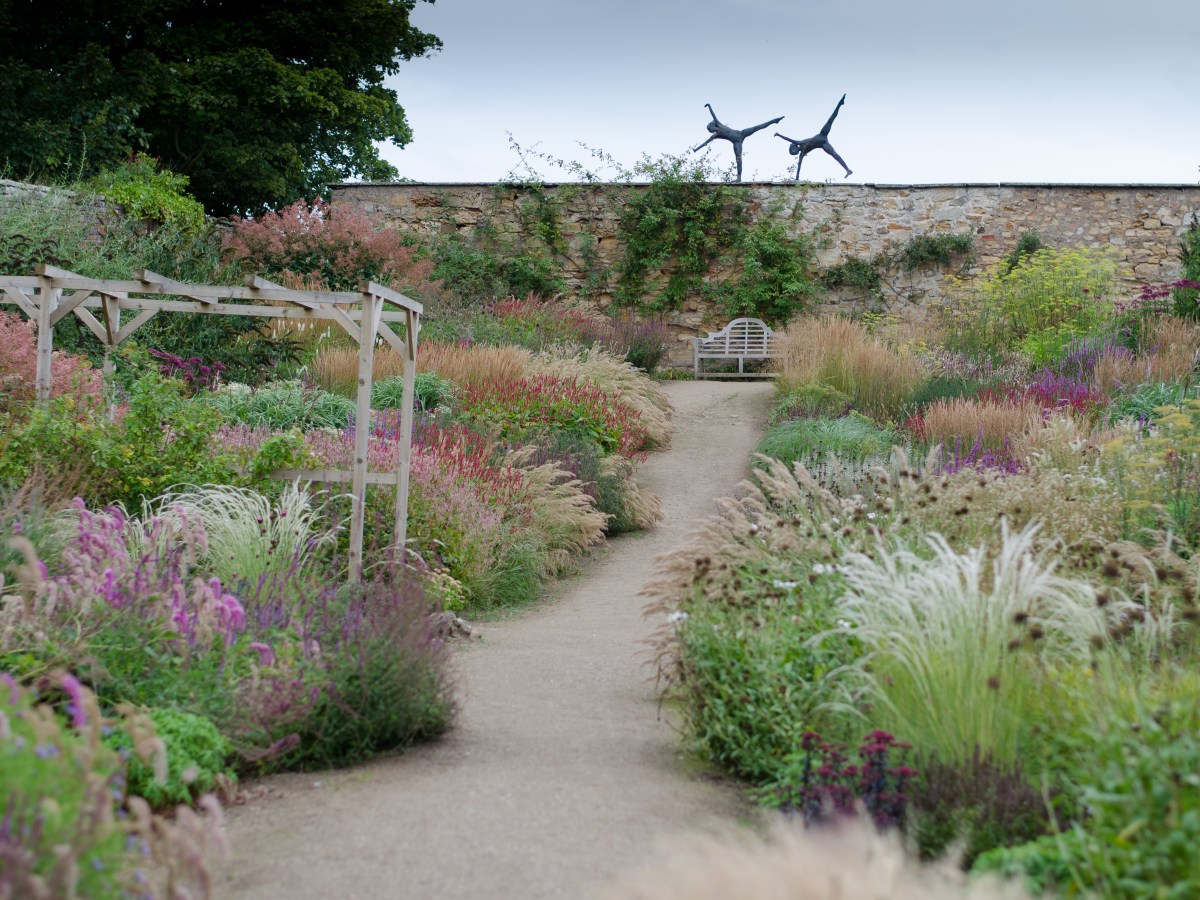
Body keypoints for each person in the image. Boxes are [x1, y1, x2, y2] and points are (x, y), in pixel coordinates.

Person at [693, 104, 783, 182]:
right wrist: (696, 149)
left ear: (713, 127)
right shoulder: (715, 135)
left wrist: (709, 106)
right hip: (737, 142)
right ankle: (739, 178)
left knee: (757, 127)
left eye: (711, 130)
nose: (711, 131)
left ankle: (775, 121)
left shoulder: (719, 124)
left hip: (741, 133)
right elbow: (705, 143)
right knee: (739, 159)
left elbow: (713, 114)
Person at [774, 94, 852, 180]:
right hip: (823, 144)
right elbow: (799, 165)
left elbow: (789, 139)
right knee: (835, 155)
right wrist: (797, 178)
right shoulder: (802, 153)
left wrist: (779, 135)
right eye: (793, 153)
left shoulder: (800, 143)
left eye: (793, 152)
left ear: (794, 148)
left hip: (822, 135)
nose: (794, 153)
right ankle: (848, 170)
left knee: (831, 120)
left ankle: (840, 103)